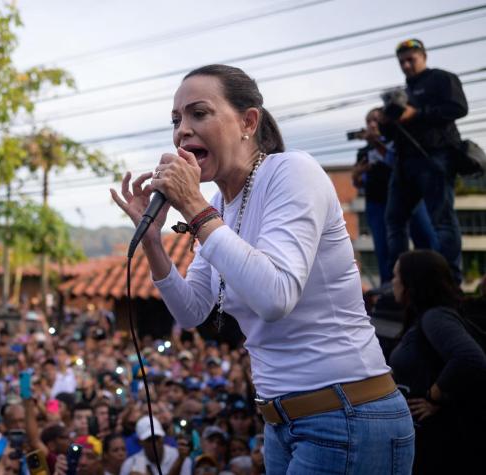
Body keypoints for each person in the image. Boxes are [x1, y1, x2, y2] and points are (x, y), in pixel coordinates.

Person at [110, 63, 414, 473]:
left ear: (248, 121)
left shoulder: (292, 173)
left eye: (199, 113)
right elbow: (192, 310)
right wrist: (152, 241)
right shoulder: (217, 208)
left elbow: (276, 297)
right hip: (279, 423)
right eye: (176, 119)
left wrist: (195, 208)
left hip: (347, 415)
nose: (182, 129)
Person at [388, 250, 486, 474]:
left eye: (396, 276)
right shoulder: (425, 317)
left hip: (442, 444)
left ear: (411, 283)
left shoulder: (436, 316)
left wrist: (434, 396)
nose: (392, 282)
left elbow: (470, 358)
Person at [381, 38, 468, 283]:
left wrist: (416, 114)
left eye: (411, 59)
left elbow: (458, 108)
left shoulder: (441, 79)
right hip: (404, 161)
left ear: (424, 56)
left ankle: (449, 281)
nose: (407, 65)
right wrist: (387, 122)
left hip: (435, 156)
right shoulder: (401, 93)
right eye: (402, 62)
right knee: (394, 221)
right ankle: (396, 282)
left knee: (441, 220)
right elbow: (392, 132)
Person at [351, 108, 435, 284]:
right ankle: (391, 287)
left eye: (375, 119)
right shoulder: (364, 152)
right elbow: (360, 185)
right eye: (368, 121)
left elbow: (396, 162)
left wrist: (377, 144)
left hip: (407, 198)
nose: (372, 124)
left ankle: (431, 280)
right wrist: (357, 175)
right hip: (377, 203)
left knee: (426, 239)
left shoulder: (398, 140)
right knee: (385, 249)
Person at [119, 417, 190, 475]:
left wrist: (180, 461)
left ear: (163, 437)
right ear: (140, 442)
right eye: (149, 440)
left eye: (157, 438)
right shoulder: (130, 464)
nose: (154, 443)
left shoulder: (179, 456)